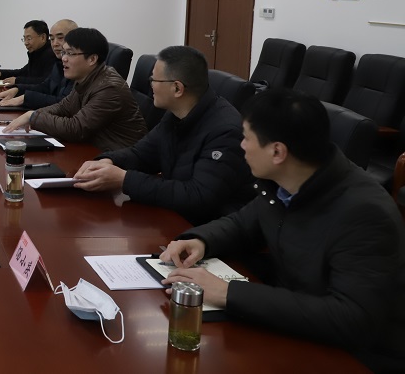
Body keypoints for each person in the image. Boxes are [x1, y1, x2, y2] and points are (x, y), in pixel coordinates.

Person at [160, 90, 405, 373]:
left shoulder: (364, 213)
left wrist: (229, 294)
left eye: (247, 138)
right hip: (294, 323)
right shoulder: (285, 180)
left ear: (277, 152)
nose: (241, 146)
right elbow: (242, 223)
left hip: (355, 356)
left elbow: (351, 318)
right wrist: (199, 240)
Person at [73, 45, 249, 225]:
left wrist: (124, 180)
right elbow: (141, 155)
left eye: (154, 80)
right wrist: (108, 161)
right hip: (174, 216)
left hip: (208, 229)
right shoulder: (175, 114)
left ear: (177, 88)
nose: (150, 85)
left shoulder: (225, 132)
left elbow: (199, 196)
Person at [3, 28, 147, 151]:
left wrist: (34, 117)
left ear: (92, 59)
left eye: (70, 53)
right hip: (94, 150)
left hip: (119, 160)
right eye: (64, 53)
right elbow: (63, 108)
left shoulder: (109, 88)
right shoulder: (87, 79)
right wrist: (33, 115)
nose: (64, 58)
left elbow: (76, 128)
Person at [0, 19, 77, 109]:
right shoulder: (58, 62)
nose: (54, 44)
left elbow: (64, 103)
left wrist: (25, 98)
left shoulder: (75, 67)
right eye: (52, 39)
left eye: (60, 38)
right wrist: (17, 89)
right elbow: (45, 86)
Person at [0, 20, 57, 86]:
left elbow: (45, 82)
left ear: (43, 37)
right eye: (24, 39)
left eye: (29, 38)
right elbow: (23, 72)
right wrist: (1, 73)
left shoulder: (51, 54)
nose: (26, 43)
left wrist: (17, 80)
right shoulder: (37, 53)